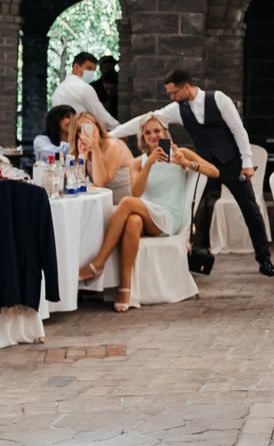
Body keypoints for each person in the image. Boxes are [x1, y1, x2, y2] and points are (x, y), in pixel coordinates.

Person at [117, 70, 274, 278]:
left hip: (231, 163)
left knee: (250, 209)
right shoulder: (177, 109)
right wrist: (111, 134)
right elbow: (145, 120)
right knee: (189, 207)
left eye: (173, 93)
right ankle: (188, 257)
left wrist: (246, 162)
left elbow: (238, 130)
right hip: (203, 166)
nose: (171, 97)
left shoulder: (218, 99)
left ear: (185, 87)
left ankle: (264, 259)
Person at [77, 112, 210, 307]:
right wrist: (148, 163)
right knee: (132, 221)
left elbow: (215, 171)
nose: (153, 136)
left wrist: (186, 163)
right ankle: (125, 291)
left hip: (168, 217)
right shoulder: (137, 163)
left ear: (165, 133)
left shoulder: (180, 153)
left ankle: (99, 263)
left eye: (157, 131)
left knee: (127, 203)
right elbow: (138, 192)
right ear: (143, 137)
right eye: (148, 133)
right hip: (147, 214)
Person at [50, 52, 120, 131]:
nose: (91, 73)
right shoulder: (84, 88)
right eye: (89, 68)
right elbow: (102, 117)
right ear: (76, 67)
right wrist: (119, 128)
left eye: (94, 70)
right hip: (79, 135)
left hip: (60, 135)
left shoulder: (60, 88)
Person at [65, 114, 132, 191]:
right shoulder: (84, 150)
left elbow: (101, 183)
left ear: (97, 127)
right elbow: (75, 183)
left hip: (125, 199)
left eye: (88, 126)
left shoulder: (114, 145)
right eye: (80, 130)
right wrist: (82, 158)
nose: (85, 131)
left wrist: (95, 150)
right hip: (103, 200)